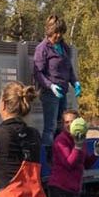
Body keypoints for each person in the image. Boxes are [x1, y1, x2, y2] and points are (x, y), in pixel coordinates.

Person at [49, 110, 99, 197]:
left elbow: (86, 164)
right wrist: (77, 147)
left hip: (74, 190)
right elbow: (69, 164)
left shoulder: (80, 139)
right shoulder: (61, 141)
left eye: (72, 121)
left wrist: (96, 153)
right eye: (66, 122)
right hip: (60, 189)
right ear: (62, 124)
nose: (70, 124)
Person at [33, 15, 80, 147]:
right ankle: (47, 156)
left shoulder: (65, 48)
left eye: (61, 32)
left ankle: (61, 152)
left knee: (62, 125)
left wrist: (75, 82)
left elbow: (68, 68)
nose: (58, 35)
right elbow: (38, 73)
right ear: (50, 32)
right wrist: (51, 86)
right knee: (51, 127)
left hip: (63, 92)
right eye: (56, 33)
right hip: (49, 94)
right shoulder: (42, 49)